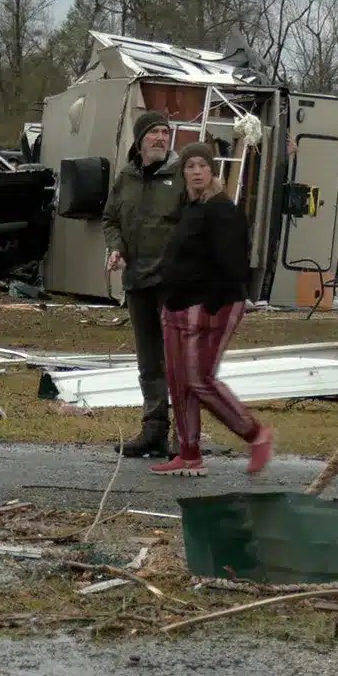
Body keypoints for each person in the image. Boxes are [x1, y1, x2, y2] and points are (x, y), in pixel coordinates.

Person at [151, 142, 274, 477]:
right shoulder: (188, 208)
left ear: (212, 170)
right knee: (178, 381)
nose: (196, 172)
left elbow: (233, 265)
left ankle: (255, 434)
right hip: (176, 304)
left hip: (210, 304)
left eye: (202, 166)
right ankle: (189, 453)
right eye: (190, 166)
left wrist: (212, 305)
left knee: (199, 378)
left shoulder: (223, 210)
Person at [101, 111, 183, 458]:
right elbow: (110, 219)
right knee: (149, 361)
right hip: (137, 281)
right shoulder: (126, 178)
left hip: (173, 283)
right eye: (155, 133)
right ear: (140, 141)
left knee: (178, 359)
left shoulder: (182, 176)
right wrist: (117, 248)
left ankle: (187, 436)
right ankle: (153, 432)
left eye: (165, 132)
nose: (161, 138)